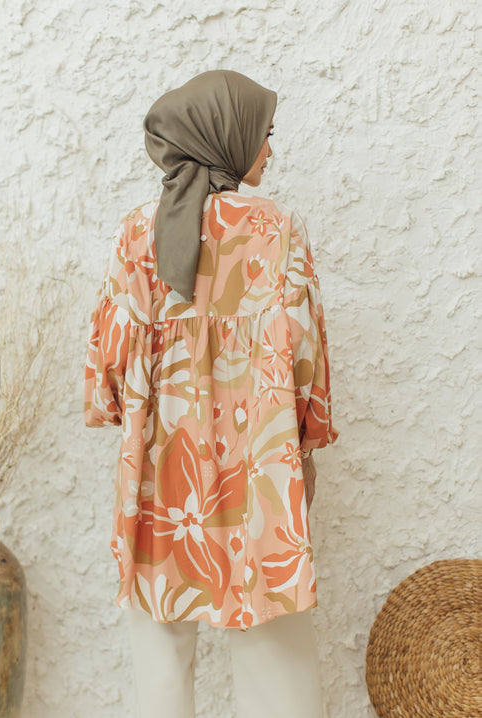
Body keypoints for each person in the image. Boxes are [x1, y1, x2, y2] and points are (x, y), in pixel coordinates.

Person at [84, 70, 338, 718]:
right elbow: (304, 351)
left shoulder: (136, 233)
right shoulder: (276, 228)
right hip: (260, 458)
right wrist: (307, 439)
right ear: (225, 134)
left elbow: (110, 356)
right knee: (273, 643)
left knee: (160, 653)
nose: (269, 150)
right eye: (264, 134)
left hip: (163, 463)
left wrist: (127, 408)